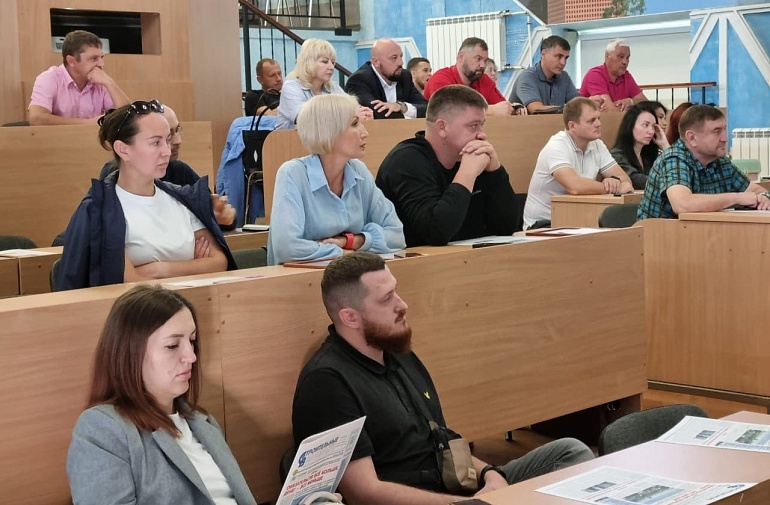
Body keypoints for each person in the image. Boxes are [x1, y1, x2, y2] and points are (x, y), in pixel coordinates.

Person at [292, 252, 595, 505]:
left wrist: (490, 473)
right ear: (350, 317)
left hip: (456, 487)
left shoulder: (396, 351)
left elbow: (442, 440)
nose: (402, 304)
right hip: (426, 500)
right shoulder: (328, 383)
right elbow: (364, 493)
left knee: (571, 452)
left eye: (396, 291)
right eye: (386, 299)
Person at [67, 285, 258, 505]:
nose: (191, 357)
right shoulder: (102, 429)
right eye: (172, 345)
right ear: (131, 352)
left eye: (192, 341)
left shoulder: (203, 422)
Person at [58, 99, 236, 290]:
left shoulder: (183, 198)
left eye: (167, 140)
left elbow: (218, 262)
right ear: (123, 150)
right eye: (155, 143)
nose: (167, 151)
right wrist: (192, 267)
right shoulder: (100, 211)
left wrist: (157, 269)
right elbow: (128, 282)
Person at [267, 94, 405, 265]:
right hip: (301, 280)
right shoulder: (292, 174)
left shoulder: (359, 171)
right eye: (354, 124)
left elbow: (397, 235)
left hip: (351, 277)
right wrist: (342, 253)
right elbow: (286, 249)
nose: (365, 133)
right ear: (329, 131)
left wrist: (352, 241)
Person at [376, 85, 521, 246]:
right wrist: (467, 174)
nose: (482, 134)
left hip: (469, 257)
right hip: (419, 260)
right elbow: (436, 232)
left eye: (482, 125)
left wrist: (495, 171)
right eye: (473, 126)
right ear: (442, 127)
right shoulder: (406, 161)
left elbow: (506, 227)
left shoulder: (473, 156)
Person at [99, 104, 236, 227]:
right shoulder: (114, 179)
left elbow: (213, 211)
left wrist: (222, 216)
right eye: (156, 142)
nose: (177, 141)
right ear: (123, 150)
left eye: (174, 133)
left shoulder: (180, 171)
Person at [637, 105, 770, 220]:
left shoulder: (720, 162)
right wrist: (737, 198)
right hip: (658, 237)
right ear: (692, 137)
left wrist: (763, 197)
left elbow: (755, 190)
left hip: (700, 234)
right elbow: (682, 204)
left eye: (724, 129)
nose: (725, 138)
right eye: (717, 131)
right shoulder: (674, 158)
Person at [523, 97, 634, 229]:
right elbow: (575, 187)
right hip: (543, 224)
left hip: (576, 220)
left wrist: (615, 181)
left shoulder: (597, 144)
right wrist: (611, 188)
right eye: (591, 120)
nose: (598, 124)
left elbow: (625, 179)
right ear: (572, 126)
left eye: (598, 118)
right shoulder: (556, 146)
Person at [28, 30, 130, 126]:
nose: (101, 64)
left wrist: (109, 83)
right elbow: (36, 118)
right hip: (57, 138)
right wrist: (88, 123)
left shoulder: (101, 81)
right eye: (94, 58)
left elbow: (129, 117)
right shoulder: (49, 78)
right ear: (71, 61)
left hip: (93, 139)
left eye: (101, 58)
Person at [276, 39, 373, 130]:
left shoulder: (333, 87)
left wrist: (364, 114)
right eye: (325, 62)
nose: (331, 67)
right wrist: (350, 116)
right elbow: (305, 119)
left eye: (333, 62)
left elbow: (352, 108)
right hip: (289, 141)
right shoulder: (291, 87)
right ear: (308, 62)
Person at [423, 38, 525, 116]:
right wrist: (489, 110)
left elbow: (502, 106)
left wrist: (515, 109)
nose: (483, 65)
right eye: (478, 59)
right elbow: (449, 113)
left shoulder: (484, 80)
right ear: (461, 57)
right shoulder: (440, 79)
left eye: (484, 61)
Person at [512, 35, 598, 114]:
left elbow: (577, 103)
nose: (563, 63)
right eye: (559, 57)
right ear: (543, 54)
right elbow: (536, 109)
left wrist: (590, 103)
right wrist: (570, 108)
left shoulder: (564, 77)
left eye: (566, 58)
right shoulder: (527, 77)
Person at [345, 39, 427, 119]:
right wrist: (410, 117)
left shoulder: (404, 76)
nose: (401, 63)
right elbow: (377, 113)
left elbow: (426, 108)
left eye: (401, 56)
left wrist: (402, 107)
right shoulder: (359, 80)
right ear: (376, 62)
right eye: (394, 58)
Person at [610, 104, 670, 189]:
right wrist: (671, 182)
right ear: (630, 125)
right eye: (645, 125)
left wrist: (665, 145)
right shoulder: (617, 155)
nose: (651, 131)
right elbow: (635, 180)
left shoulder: (648, 155)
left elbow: (675, 171)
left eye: (653, 126)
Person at [578, 39, 648, 112]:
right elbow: (611, 111)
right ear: (607, 56)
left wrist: (630, 101)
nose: (625, 62)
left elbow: (646, 103)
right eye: (621, 56)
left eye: (627, 58)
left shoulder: (626, 75)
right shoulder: (595, 75)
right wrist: (632, 109)